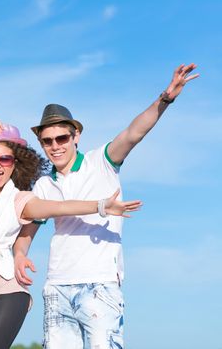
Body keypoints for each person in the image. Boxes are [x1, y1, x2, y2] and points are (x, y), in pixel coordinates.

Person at [13, 63, 199, 349]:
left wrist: (165, 99)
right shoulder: (42, 185)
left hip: (100, 285)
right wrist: (20, 254)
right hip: (57, 286)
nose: (55, 146)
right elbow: (27, 232)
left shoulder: (101, 161)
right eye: (47, 141)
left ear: (76, 136)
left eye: (62, 138)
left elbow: (134, 132)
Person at [0, 120, 141, 349]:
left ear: (15, 164)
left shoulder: (19, 200)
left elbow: (59, 207)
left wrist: (100, 205)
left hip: (6, 293)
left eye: (5, 159)